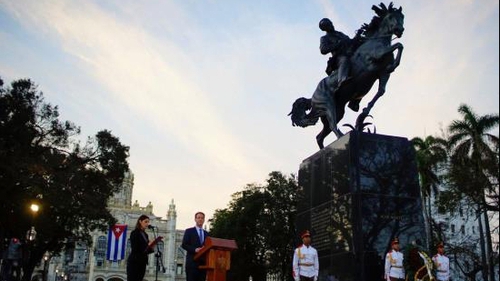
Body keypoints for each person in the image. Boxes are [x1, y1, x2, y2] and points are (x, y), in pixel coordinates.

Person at [319, 18, 351, 85]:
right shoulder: (324, 38)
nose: (331, 25)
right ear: (325, 28)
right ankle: (342, 80)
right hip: (339, 57)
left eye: (330, 23)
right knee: (344, 60)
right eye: (328, 25)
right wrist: (337, 44)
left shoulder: (340, 33)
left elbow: (350, 41)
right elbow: (323, 50)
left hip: (350, 52)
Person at [126, 215, 157, 281]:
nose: (147, 224)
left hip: (142, 262)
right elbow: (135, 248)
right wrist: (147, 245)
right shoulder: (134, 233)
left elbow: (146, 250)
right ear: (140, 221)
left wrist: (152, 246)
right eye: (145, 222)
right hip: (134, 262)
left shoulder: (145, 235)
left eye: (148, 222)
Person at [182, 212, 209, 281]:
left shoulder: (207, 234)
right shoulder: (189, 231)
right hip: (192, 263)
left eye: (202, 218)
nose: (200, 219)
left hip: (203, 265)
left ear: (204, 220)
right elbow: (184, 244)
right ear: (195, 219)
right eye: (198, 218)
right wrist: (195, 250)